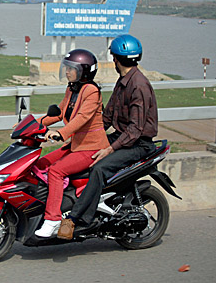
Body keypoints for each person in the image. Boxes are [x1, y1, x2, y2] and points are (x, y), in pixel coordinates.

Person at [57, 34, 158, 240]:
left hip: (138, 144)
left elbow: (135, 130)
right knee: (81, 155)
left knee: (99, 168)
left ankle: (76, 220)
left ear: (115, 59)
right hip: (123, 138)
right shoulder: (124, 82)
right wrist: (82, 138)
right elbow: (107, 117)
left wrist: (109, 149)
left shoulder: (138, 85)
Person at [34, 49, 110, 238]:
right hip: (76, 145)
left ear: (84, 71)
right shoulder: (72, 89)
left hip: (91, 147)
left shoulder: (91, 91)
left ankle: (52, 219)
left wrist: (61, 133)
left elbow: (83, 117)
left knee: (56, 171)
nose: (67, 72)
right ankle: (53, 201)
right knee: (39, 164)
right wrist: (32, 126)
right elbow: (59, 113)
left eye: (71, 69)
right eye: (66, 68)